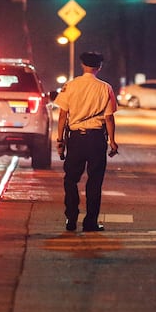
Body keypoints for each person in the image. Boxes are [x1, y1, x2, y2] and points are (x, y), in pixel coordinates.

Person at [54, 51, 118, 232]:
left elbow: (62, 115)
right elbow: (109, 118)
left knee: (71, 179)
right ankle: (90, 222)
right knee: (95, 181)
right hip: (97, 139)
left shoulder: (70, 85)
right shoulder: (105, 88)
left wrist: (60, 141)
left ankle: (71, 218)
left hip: (76, 139)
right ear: (99, 67)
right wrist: (112, 141)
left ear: (82, 65)